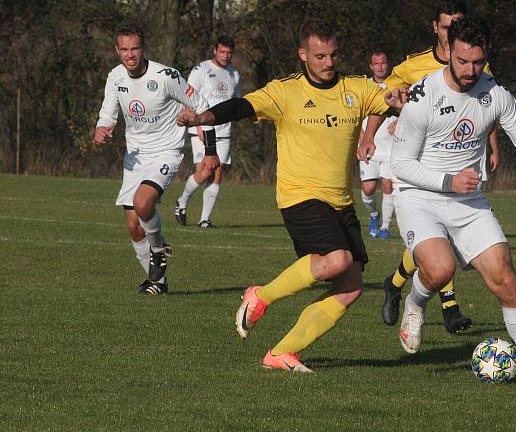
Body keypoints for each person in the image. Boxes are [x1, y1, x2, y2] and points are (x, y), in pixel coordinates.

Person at [177, 19, 404, 372]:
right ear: (302, 55)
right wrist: (203, 116)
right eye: (320, 56)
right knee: (336, 259)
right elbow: (241, 106)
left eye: (333, 55)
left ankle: (282, 353)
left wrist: (396, 100)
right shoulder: (285, 92)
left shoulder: (355, 88)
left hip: (341, 202)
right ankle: (260, 297)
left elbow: (386, 100)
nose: (329, 63)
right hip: (299, 196)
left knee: (350, 286)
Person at [384, 14, 516, 385]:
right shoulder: (423, 96)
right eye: (462, 61)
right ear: (448, 52)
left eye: (477, 61)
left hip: (468, 200)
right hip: (419, 196)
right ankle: (415, 303)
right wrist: (448, 180)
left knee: (505, 278)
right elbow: (401, 165)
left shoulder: (496, 95)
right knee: (440, 269)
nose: (471, 69)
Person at [379, 0, 500, 334]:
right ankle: (449, 308)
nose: (452, 32)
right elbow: (381, 95)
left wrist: (492, 145)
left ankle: (396, 284)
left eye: (457, 25)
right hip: (417, 168)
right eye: (446, 26)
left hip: (458, 164)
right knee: (437, 248)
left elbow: (485, 109)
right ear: (436, 28)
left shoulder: (476, 66)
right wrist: (381, 119)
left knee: (439, 245)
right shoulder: (412, 65)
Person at [94, 23, 219, 295]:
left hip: (166, 151)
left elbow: (201, 107)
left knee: (143, 203)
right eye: (124, 49)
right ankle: (158, 283)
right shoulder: (115, 77)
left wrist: (210, 151)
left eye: (135, 48)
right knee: (132, 226)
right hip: (135, 157)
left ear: (143, 48)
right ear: (117, 51)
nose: (130, 55)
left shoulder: (166, 76)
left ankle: (159, 249)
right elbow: (108, 113)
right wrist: (102, 128)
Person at [174, 35, 241, 228]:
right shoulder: (200, 70)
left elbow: (236, 103)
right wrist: (197, 126)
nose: (226, 56)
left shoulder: (234, 74)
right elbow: (189, 98)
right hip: (202, 129)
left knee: (217, 174)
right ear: (215, 50)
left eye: (229, 52)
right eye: (222, 51)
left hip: (224, 131)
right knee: (205, 171)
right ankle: (182, 202)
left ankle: (204, 219)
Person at [358, 50, 396, 239]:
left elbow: (411, 110)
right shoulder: (364, 87)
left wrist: (399, 122)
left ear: (387, 64)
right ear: (371, 66)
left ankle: (385, 228)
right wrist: (361, 138)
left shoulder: (397, 84)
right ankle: (374, 215)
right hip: (369, 146)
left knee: (388, 186)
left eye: (383, 63)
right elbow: (356, 116)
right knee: (368, 189)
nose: (380, 66)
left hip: (392, 147)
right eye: (377, 63)